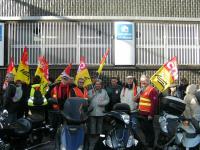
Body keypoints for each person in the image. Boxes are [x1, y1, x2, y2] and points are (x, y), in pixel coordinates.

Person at [137, 74, 159, 148]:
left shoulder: (152, 90)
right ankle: (147, 142)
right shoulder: (142, 89)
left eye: (145, 81)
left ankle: (151, 145)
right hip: (141, 113)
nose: (143, 82)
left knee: (149, 130)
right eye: (141, 81)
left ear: (148, 81)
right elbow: (141, 100)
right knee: (144, 129)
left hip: (147, 115)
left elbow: (154, 104)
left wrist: (151, 115)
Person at [88, 79, 110, 150]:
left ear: (101, 85)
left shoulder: (104, 91)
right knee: (93, 123)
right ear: (94, 85)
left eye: (99, 84)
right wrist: (92, 95)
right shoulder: (90, 91)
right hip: (92, 110)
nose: (98, 85)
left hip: (101, 111)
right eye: (96, 84)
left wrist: (102, 103)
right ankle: (93, 136)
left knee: (100, 124)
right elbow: (87, 100)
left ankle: (99, 136)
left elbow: (107, 100)